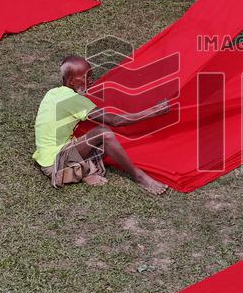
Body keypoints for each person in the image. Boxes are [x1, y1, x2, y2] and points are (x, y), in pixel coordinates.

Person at [33, 56, 170, 195]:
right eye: (87, 76)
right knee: (103, 133)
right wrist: (153, 112)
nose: (91, 80)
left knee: (103, 143)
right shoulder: (73, 99)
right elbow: (114, 121)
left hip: (49, 158)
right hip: (56, 164)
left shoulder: (53, 93)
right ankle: (139, 177)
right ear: (71, 81)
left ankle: (84, 172)